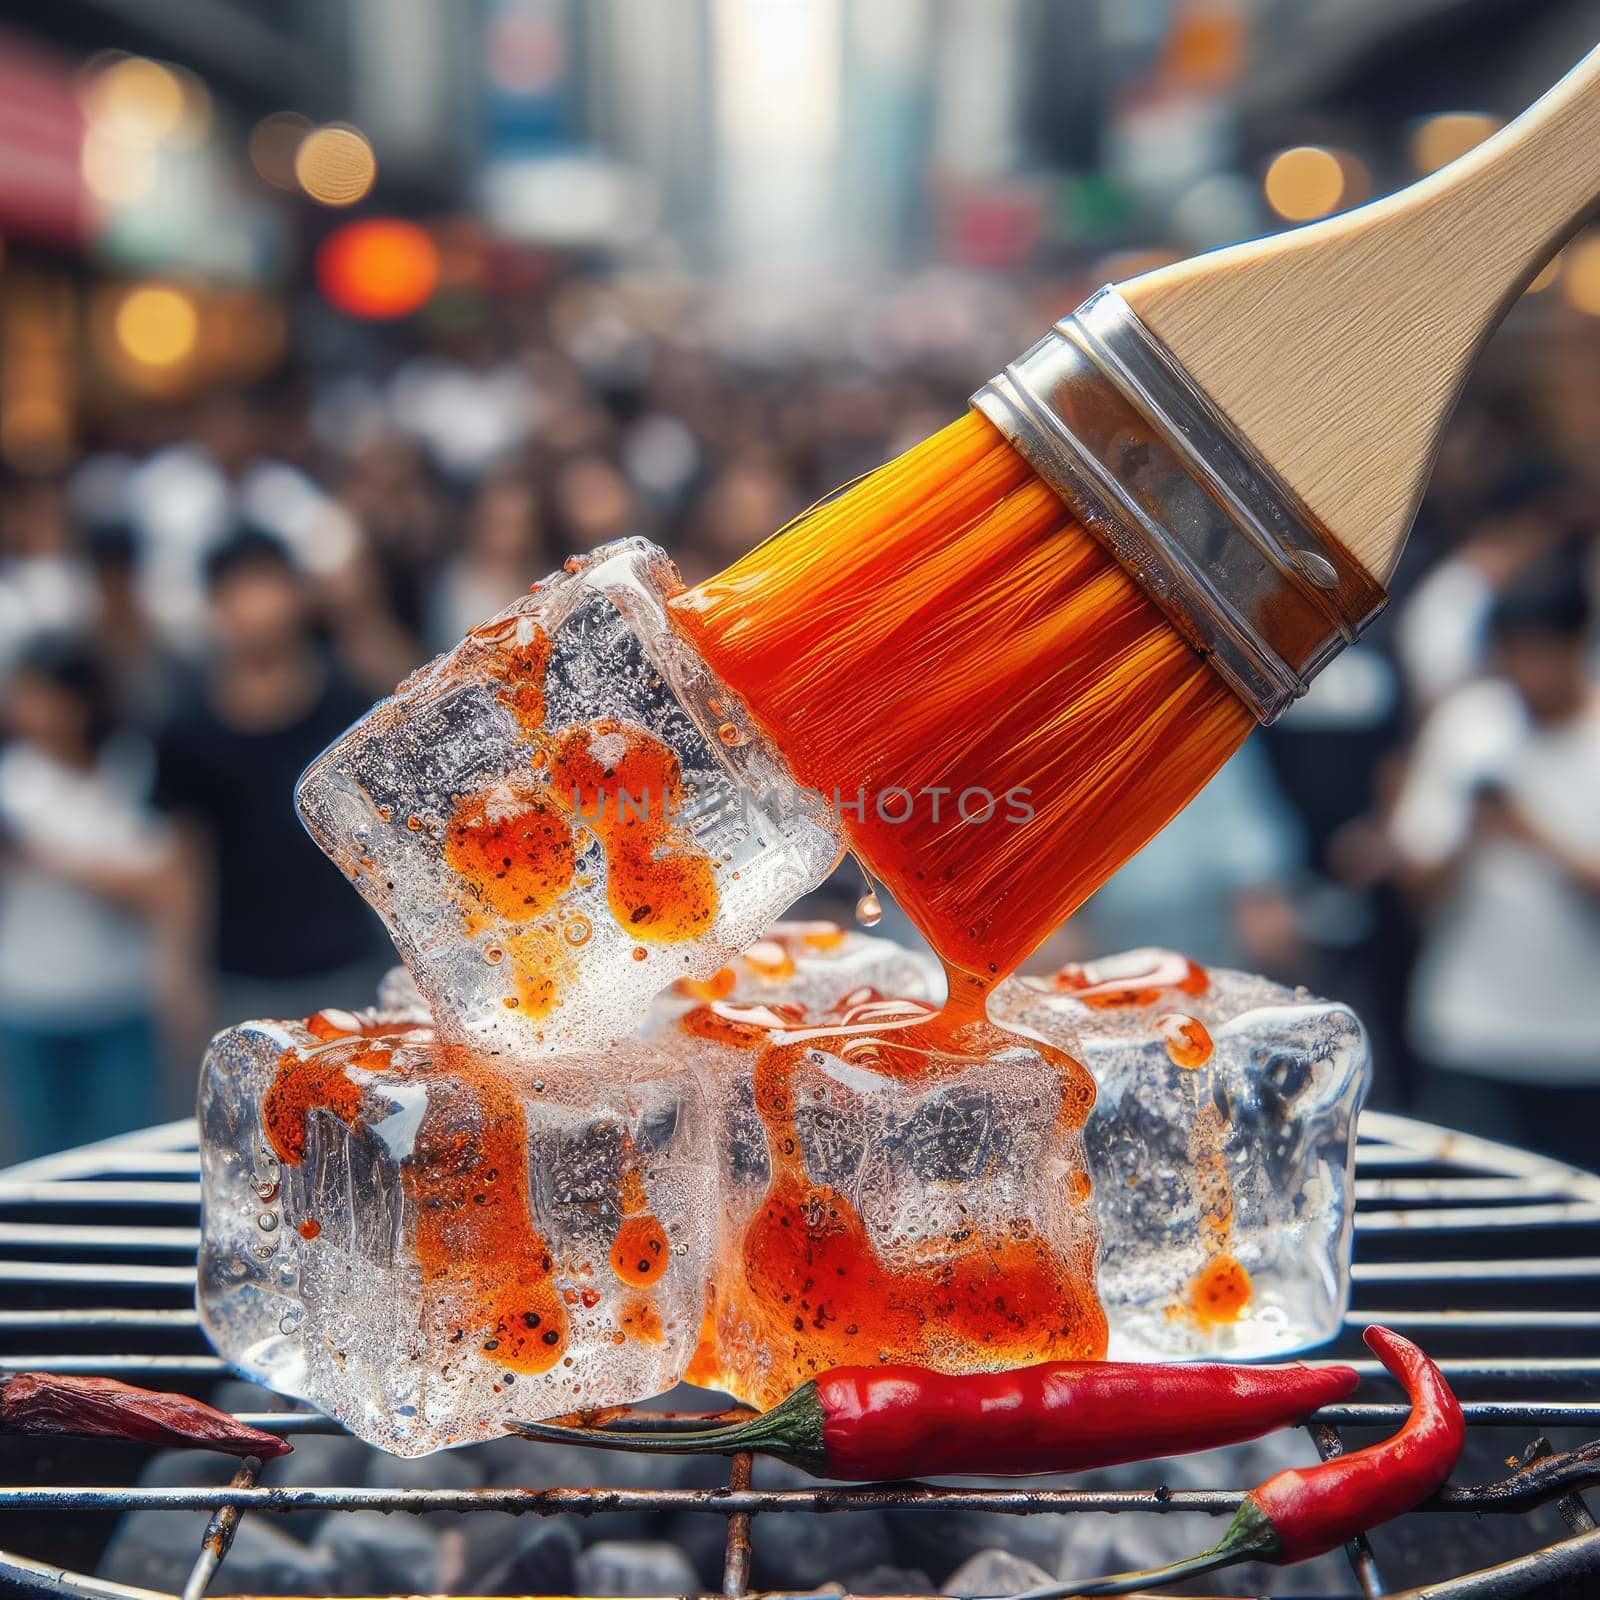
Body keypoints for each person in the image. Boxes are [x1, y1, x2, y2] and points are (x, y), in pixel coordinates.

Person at [1390, 559, 1600, 1169]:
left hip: (1583, 1044)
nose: (1527, 675)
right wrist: (1467, 838)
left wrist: (1532, 832)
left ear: (1574, 646)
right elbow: (1416, 886)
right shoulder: (1471, 724)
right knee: (1468, 1237)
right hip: (1470, 1029)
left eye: (1541, 655)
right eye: (1513, 656)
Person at [152, 532, 388, 1053]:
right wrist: (178, 972)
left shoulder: (346, 701)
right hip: (241, 973)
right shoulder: (186, 726)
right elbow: (185, 860)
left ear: (298, 594)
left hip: (346, 962)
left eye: (267, 587)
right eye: (236, 593)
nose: (255, 609)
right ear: (215, 607)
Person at [0, 636, 178, 1161]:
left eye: (41, 695)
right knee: (41, 1156)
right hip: (29, 998)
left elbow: (155, 882)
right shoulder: (12, 779)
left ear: (79, 701)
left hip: (117, 996)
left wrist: (49, 854)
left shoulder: (131, 769)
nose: (27, 711)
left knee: (123, 1154)